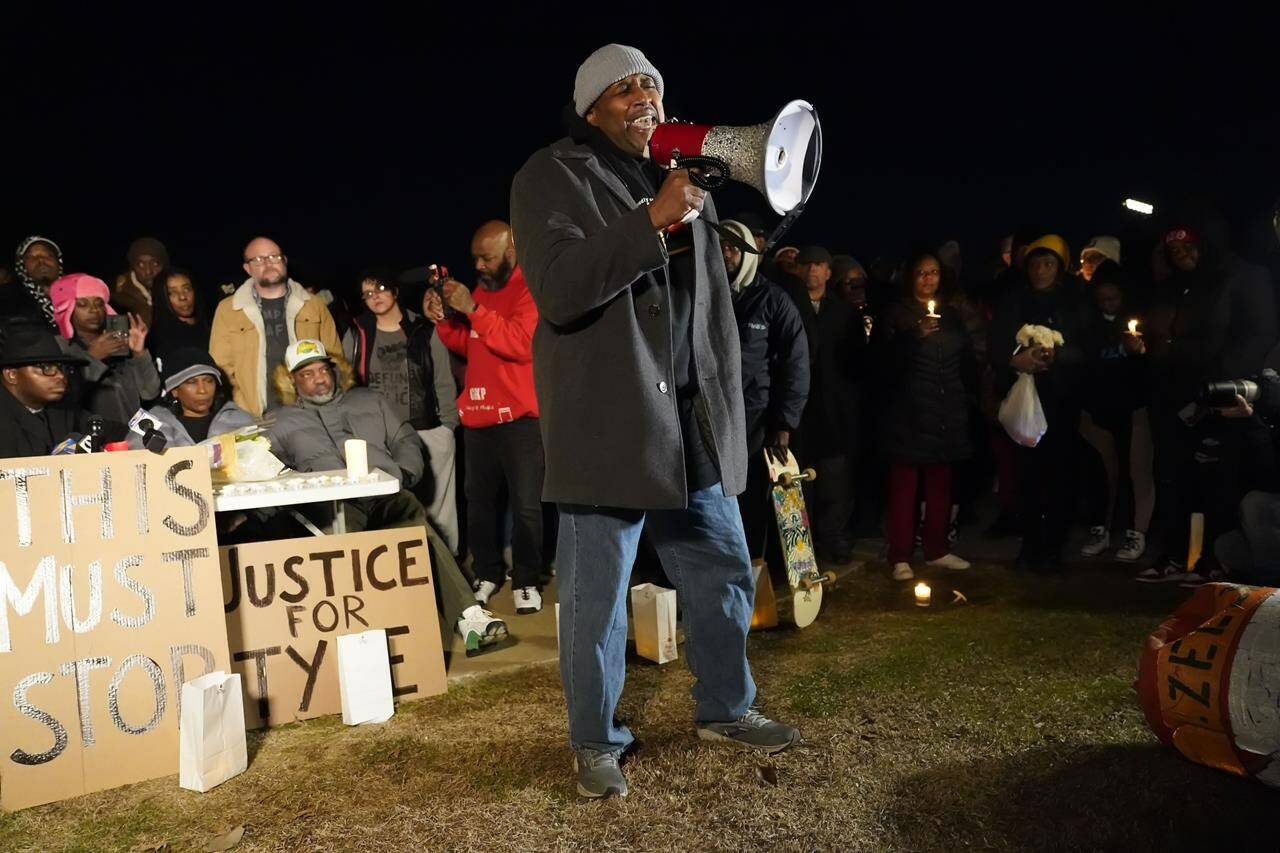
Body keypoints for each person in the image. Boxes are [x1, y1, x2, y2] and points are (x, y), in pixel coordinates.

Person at [510, 43, 800, 799]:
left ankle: (727, 707)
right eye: (625, 85)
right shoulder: (550, 175)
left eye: (653, 84)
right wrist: (651, 221)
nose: (644, 94)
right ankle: (596, 741)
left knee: (724, 571)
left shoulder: (680, 180)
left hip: (690, 423)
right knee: (597, 598)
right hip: (610, 423)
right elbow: (563, 289)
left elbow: (704, 312)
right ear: (590, 108)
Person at [266, 339, 506, 655]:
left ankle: (470, 620)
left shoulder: (370, 400)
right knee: (341, 546)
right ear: (293, 381)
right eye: (308, 374)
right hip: (334, 507)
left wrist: (403, 475)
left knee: (413, 520)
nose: (319, 379)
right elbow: (267, 468)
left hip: (384, 493)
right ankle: (359, 642)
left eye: (323, 369)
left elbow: (405, 440)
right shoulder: (281, 422)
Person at [1139, 218, 1278, 584]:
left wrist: (1220, 381)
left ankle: (1211, 562)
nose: (1182, 254)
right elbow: (1163, 338)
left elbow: (1254, 337)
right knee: (1171, 477)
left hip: (1222, 397)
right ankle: (1174, 556)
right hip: (1174, 398)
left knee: (1217, 481)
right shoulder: (1175, 287)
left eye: (1189, 246)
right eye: (1174, 250)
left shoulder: (1244, 277)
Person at [426, 221, 544, 613]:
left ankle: (526, 578)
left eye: (487, 257)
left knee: (527, 505)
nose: (478, 264)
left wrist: (472, 309)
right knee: (479, 502)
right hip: (479, 418)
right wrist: (445, 320)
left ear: (511, 252)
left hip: (521, 419)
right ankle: (487, 572)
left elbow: (521, 344)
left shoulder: (529, 289)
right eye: (475, 257)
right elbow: (470, 344)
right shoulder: (484, 290)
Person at [988, 234, 1092, 571]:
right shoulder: (1014, 300)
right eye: (1035, 263)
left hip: (1061, 400)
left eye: (1048, 264)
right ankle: (1030, 543)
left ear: (1059, 268)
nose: (1040, 270)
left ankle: (1054, 545)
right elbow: (997, 343)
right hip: (1025, 399)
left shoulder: (1073, 301)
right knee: (1026, 475)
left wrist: (1056, 356)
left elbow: (1086, 347)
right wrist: (1016, 358)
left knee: (1060, 474)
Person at [344, 270, 461, 552]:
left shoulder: (422, 329)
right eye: (368, 294)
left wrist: (447, 426)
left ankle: (449, 564)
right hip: (381, 438)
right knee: (394, 507)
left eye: (381, 288)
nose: (376, 297)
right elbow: (348, 386)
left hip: (427, 428)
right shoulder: (357, 333)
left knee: (439, 506)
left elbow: (443, 379)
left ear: (395, 291)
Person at [878, 251, 973, 580]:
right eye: (921, 272)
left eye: (933, 272)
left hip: (946, 412)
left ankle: (937, 549)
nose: (928, 279)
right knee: (904, 487)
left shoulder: (952, 314)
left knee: (940, 486)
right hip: (909, 414)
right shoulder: (896, 314)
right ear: (911, 277)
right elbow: (882, 362)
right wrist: (913, 335)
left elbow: (965, 360)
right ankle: (900, 555)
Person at [722, 219, 809, 562]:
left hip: (756, 421)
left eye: (731, 246)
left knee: (754, 503)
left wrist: (784, 424)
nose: (724, 253)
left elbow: (796, 364)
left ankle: (757, 581)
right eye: (719, 246)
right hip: (711, 418)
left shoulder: (774, 300)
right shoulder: (706, 295)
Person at [787, 244, 865, 563]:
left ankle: (833, 537)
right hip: (800, 409)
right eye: (807, 264)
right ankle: (799, 546)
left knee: (835, 480)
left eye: (819, 265)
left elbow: (858, 361)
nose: (812, 271)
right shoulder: (788, 305)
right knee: (800, 479)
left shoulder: (843, 311)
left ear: (829, 272)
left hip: (835, 408)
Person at [209, 236, 342, 417]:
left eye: (274, 256)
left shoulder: (314, 304)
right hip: (256, 417)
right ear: (247, 268)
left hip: (311, 413)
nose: (268, 263)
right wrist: (243, 409)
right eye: (258, 259)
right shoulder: (228, 309)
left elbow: (336, 358)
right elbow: (221, 367)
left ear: (284, 261)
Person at [1077, 262, 1154, 562]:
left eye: (1113, 299)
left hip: (1134, 405)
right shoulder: (1089, 326)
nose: (1107, 304)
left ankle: (1137, 531)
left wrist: (1139, 352)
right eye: (1102, 299)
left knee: (1138, 471)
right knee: (1102, 471)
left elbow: (1151, 363)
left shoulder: (1139, 321)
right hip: (1098, 406)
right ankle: (1101, 528)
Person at [49, 273, 161, 428]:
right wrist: (93, 357)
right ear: (68, 308)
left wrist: (138, 353)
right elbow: (63, 398)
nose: (94, 310)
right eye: (83, 304)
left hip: (131, 437)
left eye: (99, 303)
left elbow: (150, 392)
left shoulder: (119, 341)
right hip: (89, 440)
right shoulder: (56, 346)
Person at [0, 320, 93, 457]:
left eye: (62, 368)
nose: (61, 376)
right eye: (46, 368)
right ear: (12, 375)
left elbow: (118, 432)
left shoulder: (63, 409)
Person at [128, 347, 254, 448]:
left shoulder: (239, 420)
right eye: (192, 382)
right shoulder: (151, 422)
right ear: (175, 390)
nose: (202, 390)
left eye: (209, 381)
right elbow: (133, 458)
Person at [147, 268, 212, 358]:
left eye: (187, 289)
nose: (182, 297)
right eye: (172, 292)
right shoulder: (161, 339)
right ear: (162, 297)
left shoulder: (213, 325)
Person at [8, 235, 64, 330]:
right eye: (31, 257)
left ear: (58, 262)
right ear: (21, 266)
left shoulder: (80, 296)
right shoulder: (9, 303)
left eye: (48, 255)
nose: (41, 260)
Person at [112, 237, 168, 325]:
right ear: (132, 267)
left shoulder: (175, 294)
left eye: (155, 263)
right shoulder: (117, 304)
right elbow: (116, 337)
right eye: (140, 264)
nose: (148, 271)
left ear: (164, 265)